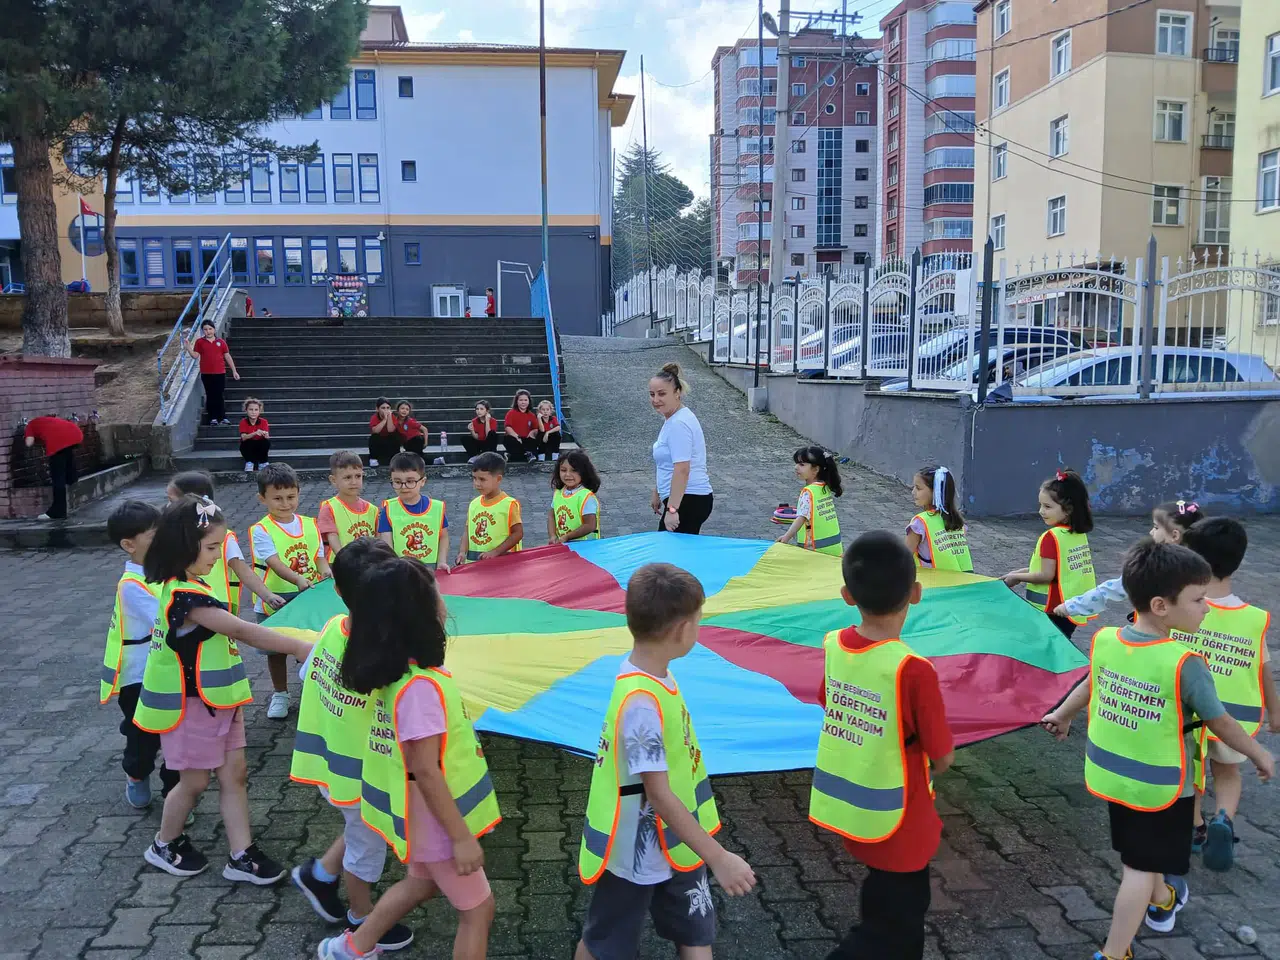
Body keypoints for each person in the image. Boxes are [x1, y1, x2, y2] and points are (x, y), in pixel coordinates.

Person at [1041, 539, 1274, 960]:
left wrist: (1062, 713)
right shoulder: (1185, 662)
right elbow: (1221, 722)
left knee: (1141, 854)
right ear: (1162, 606)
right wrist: (1259, 754)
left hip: (1114, 778)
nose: (1207, 607)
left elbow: (1092, 683)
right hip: (1164, 789)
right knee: (1139, 868)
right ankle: (1115, 953)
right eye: (1199, 599)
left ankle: (1165, 898)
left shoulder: (1109, 639)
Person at [318, 559, 499, 960]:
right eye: (434, 591)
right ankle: (352, 948)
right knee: (478, 910)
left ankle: (352, 948)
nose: (443, 598)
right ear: (420, 612)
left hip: (420, 815)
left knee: (420, 883)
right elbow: (427, 771)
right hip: (436, 822)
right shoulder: (419, 689)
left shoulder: (400, 673)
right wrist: (461, 839)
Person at [576, 563, 755, 960]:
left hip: (680, 841)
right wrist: (719, 857)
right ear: (680, 631)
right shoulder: (642, 702)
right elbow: (658, 793)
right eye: (698, 622)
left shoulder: (657, 679)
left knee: (695, 931)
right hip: (637, 852)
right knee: (605, 940)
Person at [136, 494, 312, 882]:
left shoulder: (192, 583)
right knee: (195, 781)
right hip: (193, 707)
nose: (220, 555)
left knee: (235, 774)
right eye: (212, 547)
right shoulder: (185, 594)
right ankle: (165, 843)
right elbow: (242, 631)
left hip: (221, 701)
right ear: (185, 545)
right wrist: (301, 645)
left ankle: (241, 854)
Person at [810, 532, 955, 960]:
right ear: (916, 592)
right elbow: (942, 756)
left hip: (856, 803)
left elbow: (826, 698)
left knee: (884, 902)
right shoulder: (913, 668)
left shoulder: (834, 645)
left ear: (846, 596)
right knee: (895, 927)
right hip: (902, 818)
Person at [290, 535, 416, 953]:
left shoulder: (333, 629)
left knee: (361, 826)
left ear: (338, 590)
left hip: (334, 765)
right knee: (366, 845)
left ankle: (319, 875)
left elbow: (308, 675)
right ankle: (361, 917)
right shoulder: (383, 653)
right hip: (359, 775)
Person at [1177, 518, 1279, 869]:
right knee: (1227, 772)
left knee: (1190, 772)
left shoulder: (1185, 605)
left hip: (1188, 711)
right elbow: (1263, 668)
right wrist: (1275, 713)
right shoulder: (1252, 618)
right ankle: (1223, 818)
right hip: (1235, 714)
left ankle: (1196, 828)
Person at [100, 500, 180, 809]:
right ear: (129, 545)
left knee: (175, 733)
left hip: (169, 669)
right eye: (153, 533)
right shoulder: (130, 585)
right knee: (143, 736)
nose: (161, 537)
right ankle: (136, 773)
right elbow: (167, 619)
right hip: (139, 678)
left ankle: (175, 795)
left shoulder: (166, 571)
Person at [249, 463, 330, 720]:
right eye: (277, 498)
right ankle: (280, 693)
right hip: (277, 599)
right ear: (263, 498)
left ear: (299, 493)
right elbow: (274, 563)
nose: (285, 503)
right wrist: (298, 579)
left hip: (309, 596)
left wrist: (326, 572)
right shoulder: (261, 530)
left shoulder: (310, 523)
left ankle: (312, 691)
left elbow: (319, 557)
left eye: (291, 497)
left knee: (308, 645)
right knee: (275, 651)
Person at [1055, 500, 1205, 623]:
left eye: (1156, 527)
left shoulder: (1153, 567)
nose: (1151, 532)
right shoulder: (1206, 567)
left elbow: (1110, 590)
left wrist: (1070, 607)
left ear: (1174, 535)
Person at [166, 471, 282, 619]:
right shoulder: (170, 535)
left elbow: (242, 569)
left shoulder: (225, 537)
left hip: (216, 604)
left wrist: (268, 595)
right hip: (179, 603)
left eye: (171, 500)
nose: (167, 505)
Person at [1003, 468, 1096, 638]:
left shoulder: (1051, 537)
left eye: (1047, 506)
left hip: (1050, 610)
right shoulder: (1076, 535)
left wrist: (1017, 577)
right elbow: (1056, 570)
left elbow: (1045, 575)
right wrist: (1016, 572)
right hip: (1069, 610)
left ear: (1068, 509)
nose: (1041, 511)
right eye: (1040, 505)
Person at [649, 362, 713, 535]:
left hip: (689, 499)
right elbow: (667, 462)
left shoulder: (679, 424)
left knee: (669, 556)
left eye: (662, 394)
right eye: (652, 394)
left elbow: (682, 469)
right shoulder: (673, 418)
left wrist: (672, 510)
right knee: (675, 555)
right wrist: (658, 492)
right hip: (683, 498)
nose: (655, 400)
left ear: (677, 393)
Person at [378, 451, 449, 571]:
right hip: (401, 571)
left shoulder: (437, 508)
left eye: (410, 481)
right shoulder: (388, 509)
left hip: (431, 570)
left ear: (422, 481)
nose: (404, 487)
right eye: (398, 482)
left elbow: (443, 537)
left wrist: (442, 561)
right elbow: (386, 543)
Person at [455, 452, 523, 565]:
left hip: (502, 565)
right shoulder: (474, 504)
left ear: (498, 479)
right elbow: (467, 531)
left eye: (482, 479)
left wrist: (495, 552)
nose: (477, 484)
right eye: (474, 478)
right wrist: (462, 552)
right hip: (474, 565)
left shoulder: (509, 504)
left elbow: (518, 534)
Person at [776, 446, 843, 555]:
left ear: (816, 469)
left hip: (814, 550)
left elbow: (801, 518)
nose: (796, 467)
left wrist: (786, 537)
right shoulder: (824, 487)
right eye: (796, 463)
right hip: (834, 548)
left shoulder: (808, 492)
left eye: (802, 465)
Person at [905, 465, 972, 572]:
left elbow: (904, 559)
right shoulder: (959, 523)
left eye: (918, 488)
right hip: (959, 583)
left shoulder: (919, 524)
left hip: (930, 585)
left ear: (936, 492)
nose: (913, 492)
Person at [23, 413, 84, 520]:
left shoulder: (30, 425)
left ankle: (57, 512)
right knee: (67, 455)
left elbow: (29, 443)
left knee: (57, 476)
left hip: (58, 442)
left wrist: (26, 435)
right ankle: (72, 478)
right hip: (76, 433)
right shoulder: (46, 420)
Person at [318, 451, 378, 558]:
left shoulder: (372, 509)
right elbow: (332, 537)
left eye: (358, 476)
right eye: (348, 477)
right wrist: (345, 560)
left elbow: (378, 540)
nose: (354, 482)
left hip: (368, 564)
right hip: (339, 563)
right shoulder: (329, 508)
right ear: (333, 480)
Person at [188, 320, 239, 426]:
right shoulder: (200, 342)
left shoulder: (221, 342)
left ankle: (223, 417)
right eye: (205, 329)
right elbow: (195, 355)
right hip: (206, 374)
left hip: (220, 373)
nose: (208, 331)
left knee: (219, 395)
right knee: (210, 395)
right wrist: (188, 347)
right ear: (203, 331)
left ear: (214, 329)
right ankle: (213, 418)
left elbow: (227, 356)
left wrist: (234, 371)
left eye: (210, 329)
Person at [549, 450, 601, 544]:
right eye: (563, 470)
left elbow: (590, 525)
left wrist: (567, 537)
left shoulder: (586, 497)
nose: (568, 474)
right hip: (565, 545)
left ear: (584, 472)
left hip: (586, 547)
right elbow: (552, 516)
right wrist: (553, 535)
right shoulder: (558, 493)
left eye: (574, 470)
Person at [503, 389, 539, 463]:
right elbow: (507, 427)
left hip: (526, 439)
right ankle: (526, 454)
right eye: (521, 400)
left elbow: (535, 428)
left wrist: (532, 432)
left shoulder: (531, 415)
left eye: (525, 400)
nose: (523, 402)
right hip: (514, 438)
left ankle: (511, 455)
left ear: (529, 401)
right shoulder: (511, 413)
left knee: (532, 443)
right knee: (512, 442)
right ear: (517, 401)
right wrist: (517, 436)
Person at [238, 398, 270, 472]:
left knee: (266, 442)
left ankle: (263, 462)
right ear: (246, 410)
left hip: (259, 447)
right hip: (249, 447)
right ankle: (249, 462)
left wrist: (265, 434)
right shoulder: (243, 422)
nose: (253, 412)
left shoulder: (264, 421)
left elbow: (267, 436)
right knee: (245, 442)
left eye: (256, 410)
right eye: (251, 409)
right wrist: (255, 433)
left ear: (259, 411)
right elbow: (243, 437)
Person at [368, 398, 400, 468]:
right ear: (377, 409)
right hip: (379, 442)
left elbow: (391, 430)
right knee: (374, 437)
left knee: (395, 436)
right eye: (383, 408)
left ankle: (395, 459)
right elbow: (375, 431)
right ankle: (373, 459)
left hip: (390, 442)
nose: (386, 410)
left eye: (388, 408)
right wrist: (384, 419)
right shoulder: (374, 417)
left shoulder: (393, 417)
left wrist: (389, 418)